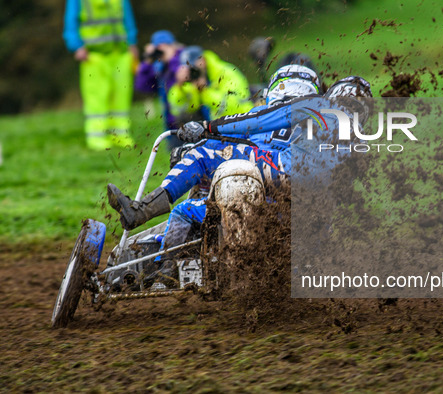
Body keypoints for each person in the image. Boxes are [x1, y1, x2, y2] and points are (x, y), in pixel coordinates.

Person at [107, 67, 372, 259]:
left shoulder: (311, 107)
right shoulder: (358, 133)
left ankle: (152, 238)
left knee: (201, 162)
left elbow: (252, 124)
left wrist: (206, 127)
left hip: (282, 172)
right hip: (305, 209)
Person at [63, 0, 138, 151]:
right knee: (97, 97)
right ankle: (97, 137)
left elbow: (127, 18)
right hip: (93, 55)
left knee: (121, 97)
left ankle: (121, 134)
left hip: (120, 53)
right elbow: (70, 23)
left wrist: (132, 43)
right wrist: (76, 46)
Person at [167, 46, 253, 124]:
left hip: (243, 124)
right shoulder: (193, 80)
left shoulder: (227, 73)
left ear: (203, 60)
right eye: (189, 68)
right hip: (216, 131)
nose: (193, 70)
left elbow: (232, 107)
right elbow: (179, 110)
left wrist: (205, 91)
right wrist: (179, 86)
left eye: (193, 66)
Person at [134, 30, 185, 149]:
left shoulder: (184, 57)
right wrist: (147, 61)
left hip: (190, 118)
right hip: (171, 123)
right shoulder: (160, 67)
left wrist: (172, 58)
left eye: (165, 47)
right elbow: (142, 86)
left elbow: (181, 75)